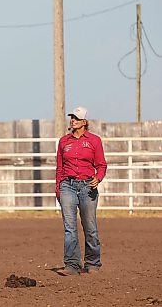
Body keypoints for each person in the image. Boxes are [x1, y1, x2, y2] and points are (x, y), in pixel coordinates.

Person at [55, 106, 107, 276]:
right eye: (72, 117)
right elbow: (60, 168)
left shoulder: (94, 141)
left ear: (84, 122)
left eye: (76, 118)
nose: (73, 120)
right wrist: (58, 189)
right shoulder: (64, 141)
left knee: (90, 226)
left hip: (87, 186)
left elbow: (101, 165)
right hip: (67, 186)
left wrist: (98, 178)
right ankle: (72, 264)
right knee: (69, 227)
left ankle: (93, 263)